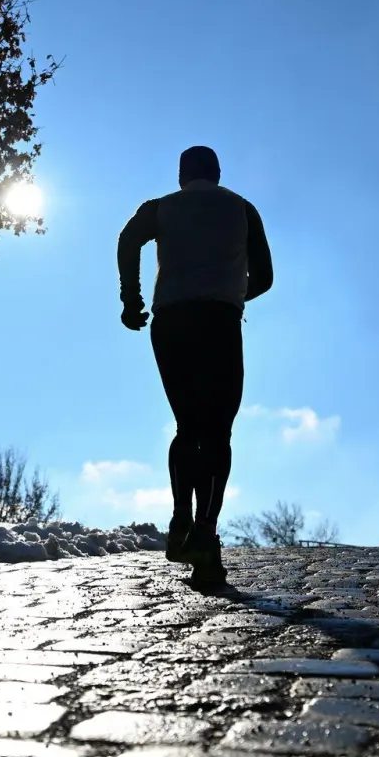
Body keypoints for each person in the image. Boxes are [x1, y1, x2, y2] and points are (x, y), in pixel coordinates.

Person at [117, 145, 273, 586]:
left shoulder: (160, 207)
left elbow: (127, 240)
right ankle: (205, 532)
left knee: (187, 425)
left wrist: (131, 298)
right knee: (218, 431)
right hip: (220, 321)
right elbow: (264, 278)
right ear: (217, 174)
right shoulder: (243, 209)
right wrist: (232, 292)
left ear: (182, 176)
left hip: (171, 322)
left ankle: (179, 517)